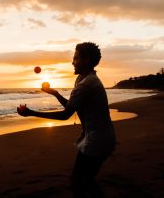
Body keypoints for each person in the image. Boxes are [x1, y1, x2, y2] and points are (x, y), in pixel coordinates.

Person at [17, 42, 116, 198]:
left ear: (87, 60)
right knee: (85, 179)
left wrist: (31, 113)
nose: (72, 62)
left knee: (79, 180)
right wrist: (55, 93)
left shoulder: (86, 84)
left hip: (98, 140)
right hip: (98, 136)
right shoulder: (83, 79)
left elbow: (65, 114)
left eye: (76, 58)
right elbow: (73, 106)